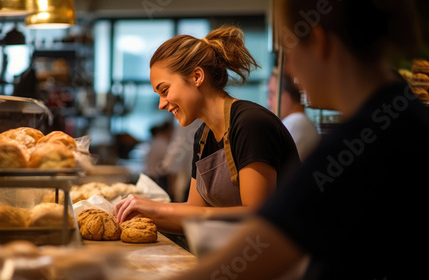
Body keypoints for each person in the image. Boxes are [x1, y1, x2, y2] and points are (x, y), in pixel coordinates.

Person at [168, 0, 428, 279]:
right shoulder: (402, 116)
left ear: (318, 42)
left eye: (290, 51)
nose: (289, 70)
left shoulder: (360, 143)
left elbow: (248, 260)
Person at [114, 26, 300, 234]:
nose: (161, 104)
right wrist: (137, 216)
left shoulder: (250, 124)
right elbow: (196, 213)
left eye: (164, 90)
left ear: (197, 76)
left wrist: (158, 208)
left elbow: (257, 215)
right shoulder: (203, 136)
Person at [268, 72, 320, 160]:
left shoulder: (296, 123)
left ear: (286, 96)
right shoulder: (299, 122)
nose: (268, 103)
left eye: (272, 94)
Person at [144, 120, 174, 194]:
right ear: (168, 131)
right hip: (157, 179)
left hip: (150, 176)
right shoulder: (162, 144)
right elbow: (169, 166)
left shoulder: (155, 141)